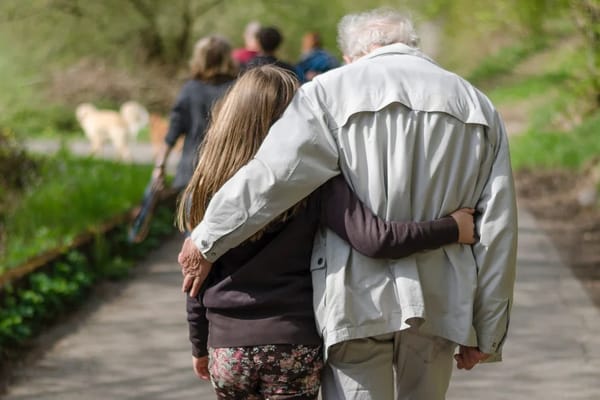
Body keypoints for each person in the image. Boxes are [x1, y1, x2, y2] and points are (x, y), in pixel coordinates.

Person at [179, 8, 518, 400]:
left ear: (352, 55)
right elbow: (497, 227)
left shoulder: (326, 94)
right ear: (411, 45)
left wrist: (207, 238)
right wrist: (489, 330)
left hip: (357, 300)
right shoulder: (477, 105)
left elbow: (272, 177)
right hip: (441, 298)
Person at [152, 35, 238, 192]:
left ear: (199, 59)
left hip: (191, 171)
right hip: (229, 172)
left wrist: (160, 166)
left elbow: (173, 131)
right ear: (227, 58)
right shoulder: (238, 89)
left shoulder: (190, 89)